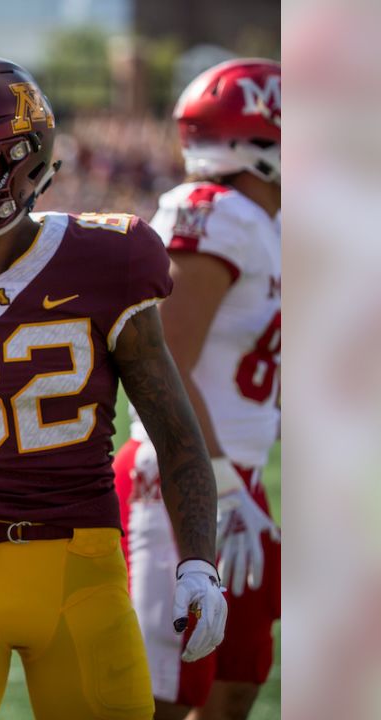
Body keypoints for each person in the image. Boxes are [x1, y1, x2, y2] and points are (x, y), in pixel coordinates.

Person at [0, 55, 225, 719]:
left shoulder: (108, 258)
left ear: (23, 170)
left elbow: (172, 427)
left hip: (81, 557)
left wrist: (198, 560)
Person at [112, 58, 281, 720]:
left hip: (237, 476)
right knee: (161, 692)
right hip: (181, 476)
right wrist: (221, 478)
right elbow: (169, 362)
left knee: (238, 677)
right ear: (263, 144)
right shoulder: (216, 214)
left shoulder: (265, 223)